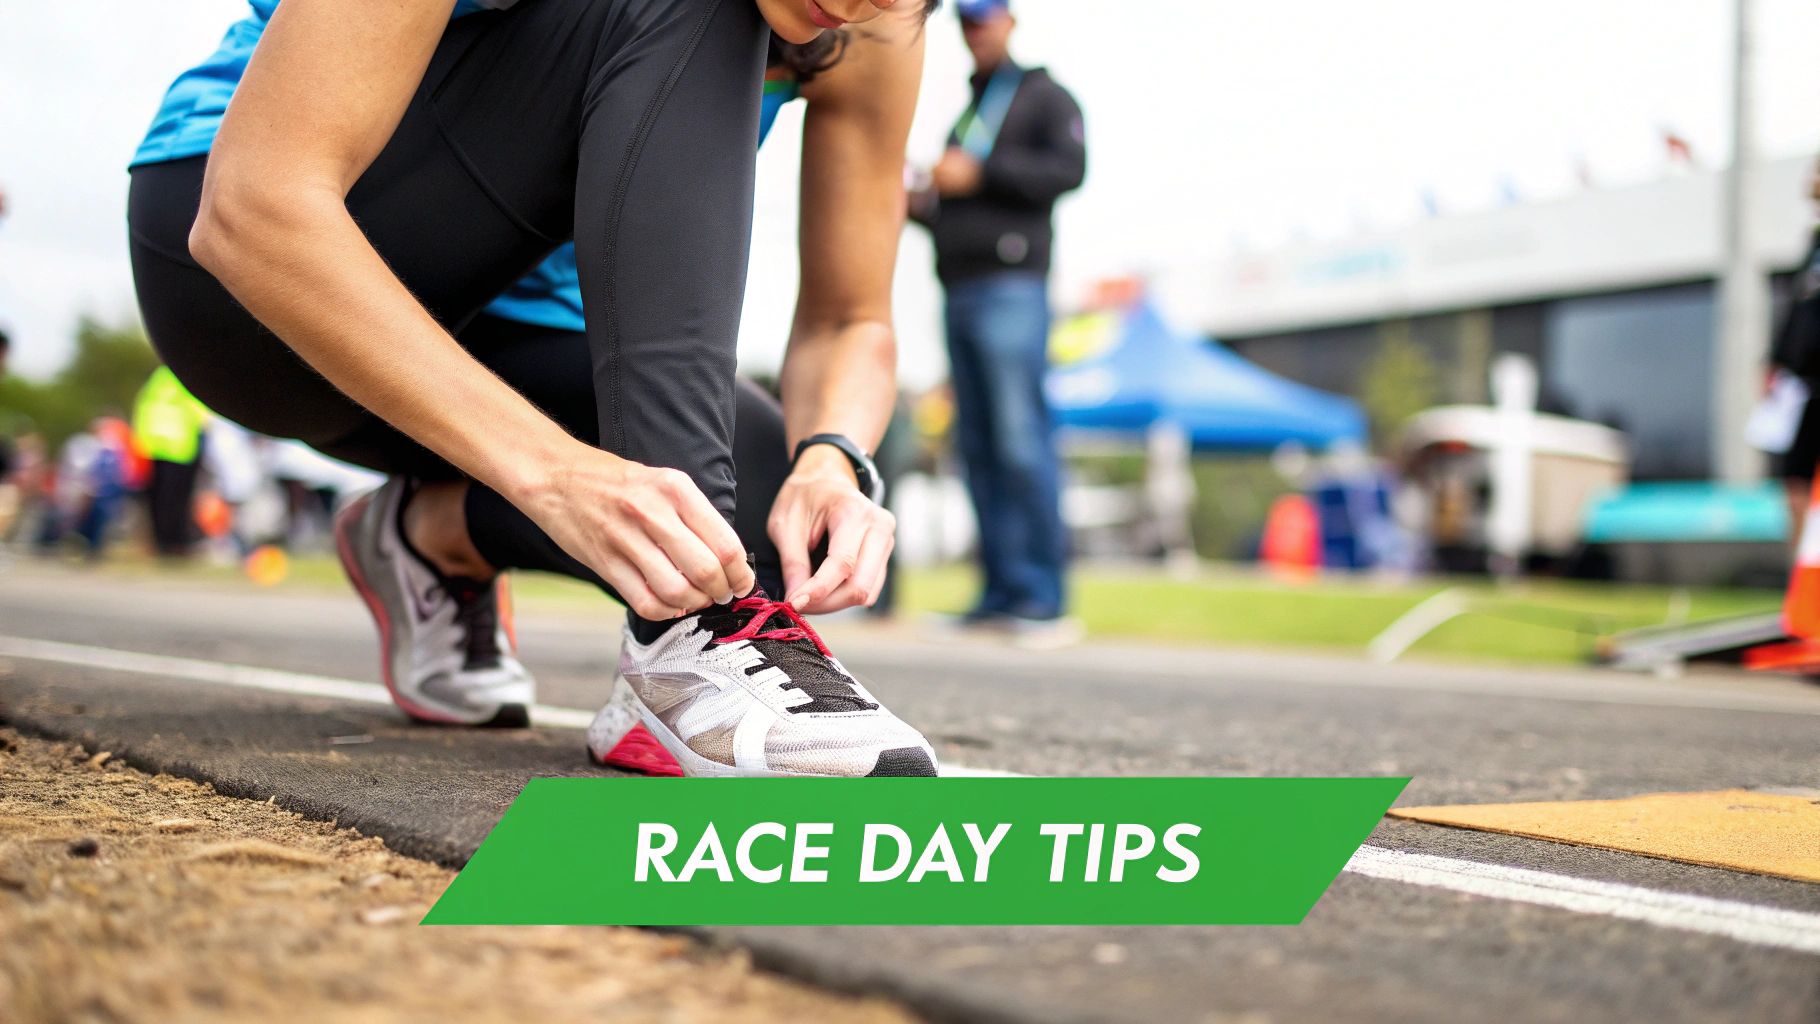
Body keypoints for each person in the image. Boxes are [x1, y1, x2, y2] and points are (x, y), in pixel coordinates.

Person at [128, 0, 939, 778]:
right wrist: (550, 472)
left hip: (501, 328)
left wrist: (831, 459)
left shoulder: (876, 22)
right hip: (250, 289)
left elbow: (849, 320)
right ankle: (686, 640)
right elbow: (254, 206)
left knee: (754, 498)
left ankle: (428, 536)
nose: (879, 1)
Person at [908, 0, 1085, 640]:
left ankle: (1043, 598)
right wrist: (917, 201)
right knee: (979, 446)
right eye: (965, 20)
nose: (974, 31)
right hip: (961, 288)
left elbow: (1068, 170)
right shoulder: (969, 108)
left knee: (1019, 440)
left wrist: (981, 171)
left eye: (983, 18)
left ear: (1009, 20)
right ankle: (1000, 591)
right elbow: (958, 201)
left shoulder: (1042, 96)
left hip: (1012, 289)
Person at [1769, 157, 1820, 544]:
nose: (1811, 180)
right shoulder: (1813, 243)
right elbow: (1796, 313)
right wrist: (1775, 361)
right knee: (1795, 479)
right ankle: (1802, 580)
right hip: (1805, 388)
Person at [132, 366, 212, 558]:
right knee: (178, 500)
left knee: (157, 500)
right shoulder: (186, 374)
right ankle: (176, 544)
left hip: (152, 446)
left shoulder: (157, 378)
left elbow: (142, 407)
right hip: (180, 447)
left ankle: (161, 543)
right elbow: (200, 410)